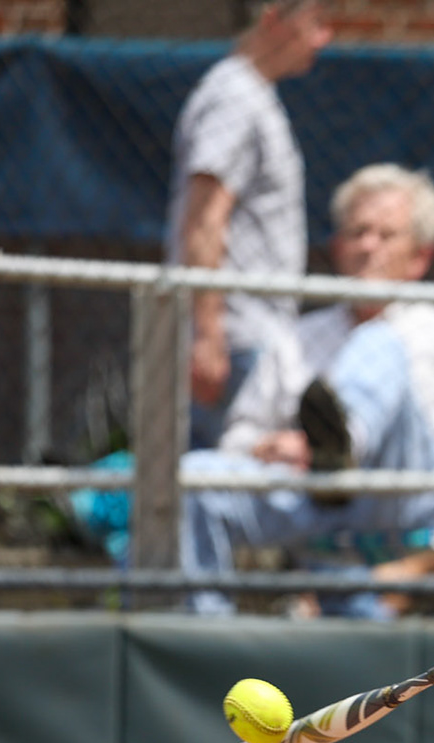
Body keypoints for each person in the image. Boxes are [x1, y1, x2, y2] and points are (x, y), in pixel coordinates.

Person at [181, 164, 434, 614]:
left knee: (378, 340)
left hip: (406, 497)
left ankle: (347, 441)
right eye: (358, 232)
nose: (368, 246)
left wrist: (357, 443)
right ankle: (200, 645)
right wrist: (275, 449)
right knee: (198, 476)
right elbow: (239, 440)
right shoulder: (299, 337)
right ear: (337, 247)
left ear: (420, 256)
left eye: (386, 235)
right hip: (313, 495)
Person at [166, 0, 333, 449]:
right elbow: (204, 218)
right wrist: (207, 335)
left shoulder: (252, 95)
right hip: (234, 338)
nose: (324, 38)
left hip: (249, 336)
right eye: (315, 22)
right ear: (274, 18)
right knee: (211, 489)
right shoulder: (234, 97)